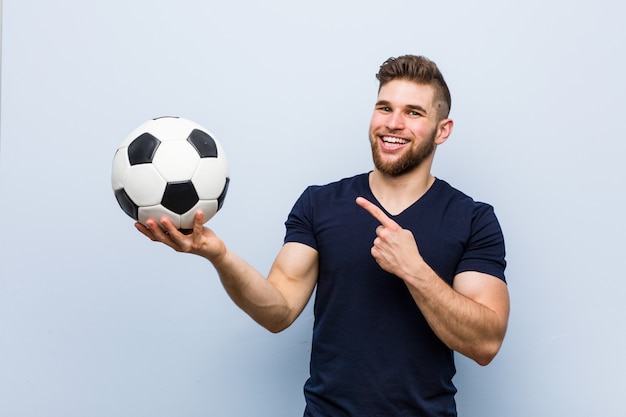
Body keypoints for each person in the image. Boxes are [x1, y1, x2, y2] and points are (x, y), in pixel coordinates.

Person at [136, 54, 510, 417]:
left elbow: (485, 343)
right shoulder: (320, 203)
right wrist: (218, 254)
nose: (393, 123)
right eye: (384, 108)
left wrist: (415, 270)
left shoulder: (473, 219)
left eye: (414, 113)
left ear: (442, 130)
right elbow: (278, 311)